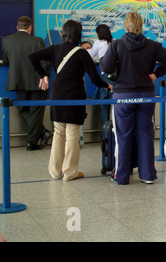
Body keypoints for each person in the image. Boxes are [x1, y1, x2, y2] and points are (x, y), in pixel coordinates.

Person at [28, 20, 111, 180]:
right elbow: (94, 78)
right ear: (79, 35)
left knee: (58, 132)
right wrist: (108, 85)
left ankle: (54, 171)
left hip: (58, 94)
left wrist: (42, 75)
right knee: (72, 134)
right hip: (74, 96)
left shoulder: (55, 49)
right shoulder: (81, 53)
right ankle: (70, 172)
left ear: (63, 33)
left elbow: (32, 56)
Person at [100, 12, 166, 185]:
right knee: (145, 134)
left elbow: (105, 66)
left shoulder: (117, 45)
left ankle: (121, 176)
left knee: (123, 136)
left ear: (125, 25)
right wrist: (155, 75)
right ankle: (148, 175)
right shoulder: (152, 45)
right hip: (146, 96)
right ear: (141, 25)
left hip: (123, 96)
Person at [2, 16, 52, 151]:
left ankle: (38, 136)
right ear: (30, 28)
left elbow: (6, 61)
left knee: (23, 108)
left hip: (18, 80)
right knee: (36, 111)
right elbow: (45, 61)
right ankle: (34, 140)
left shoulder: (7, 41)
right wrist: (45, 76)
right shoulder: (38, 41)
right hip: (38, 80)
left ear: (17, 27)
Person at [88, 24, 114, 131]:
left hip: (105, 77)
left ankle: (105, 136)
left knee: (104, 107)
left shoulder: (98, 43)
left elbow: (90, 56)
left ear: (99, 34)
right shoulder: (114, 42)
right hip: (116, 77)